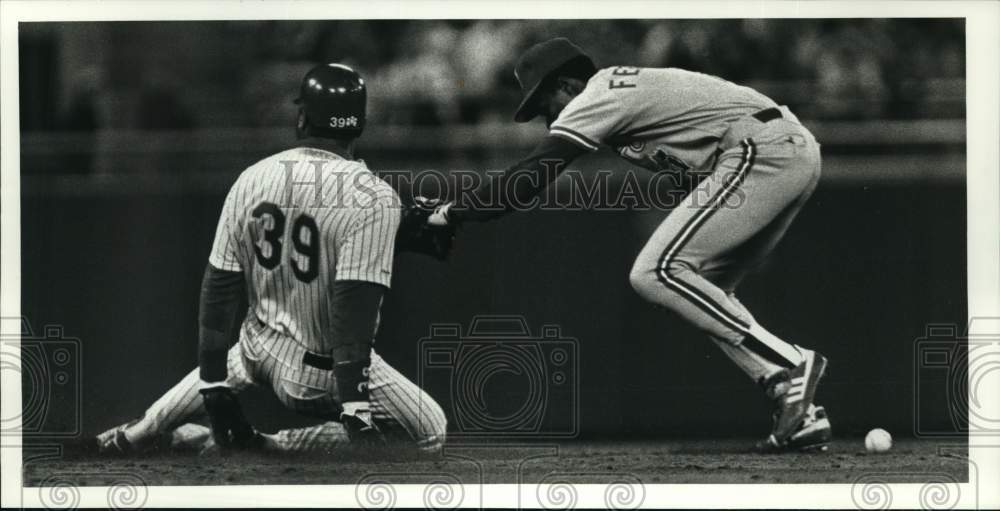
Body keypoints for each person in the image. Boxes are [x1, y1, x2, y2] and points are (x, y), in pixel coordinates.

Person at [429, 38, 830, 452]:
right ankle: (798, 410)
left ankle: (791, 364)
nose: (544, 119)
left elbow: (532, 175)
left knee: (654, 272)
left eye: (544, 104)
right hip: (783, 150)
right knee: (705, 290)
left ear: (567, 85)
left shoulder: (599, 93)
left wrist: (453, 212)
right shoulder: (624, 97)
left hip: (761, 151)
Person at [97, 63, 446, 455]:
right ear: (360, 124)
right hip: (322, 372)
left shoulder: (252, 177)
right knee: (430, 432)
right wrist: (355, 406)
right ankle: (272, 445)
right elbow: (353, 315)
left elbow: (219, 290)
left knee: (234, 362)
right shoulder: (375, 195)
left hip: (255, 350)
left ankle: (132, 434)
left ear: (302, 118)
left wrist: (213, 383)